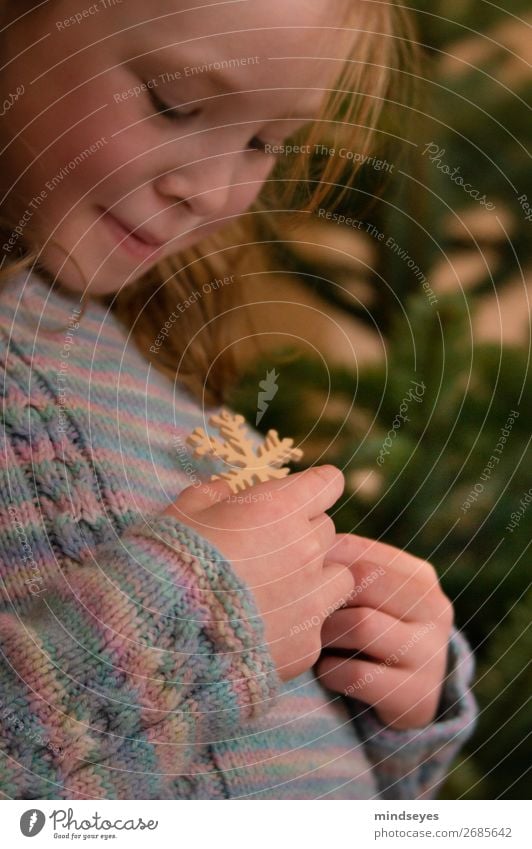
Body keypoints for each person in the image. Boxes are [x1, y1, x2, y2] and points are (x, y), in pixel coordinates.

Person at [0, 0, 477, 800]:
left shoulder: (156, 369)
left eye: (264, 142)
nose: (216, 192)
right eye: (175, 103)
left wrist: (384, 690)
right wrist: (186, 623)